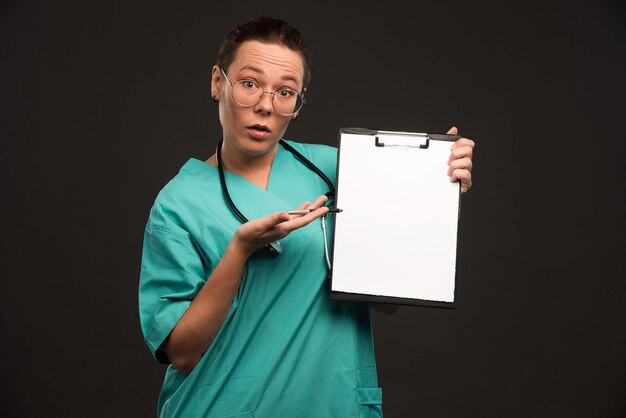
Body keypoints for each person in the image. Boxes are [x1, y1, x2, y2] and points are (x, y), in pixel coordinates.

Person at [139, 16, 474, 418]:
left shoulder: (341, 170)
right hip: (222, 406)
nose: (265, 105)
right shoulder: (179, 203)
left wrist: (434, 187)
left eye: (285, 92)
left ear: (298, 104)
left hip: (330, 404)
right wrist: (240, 249)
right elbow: (183, 352)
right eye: (249, 84)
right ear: (217, 83)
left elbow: (387, 299)